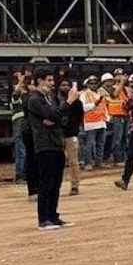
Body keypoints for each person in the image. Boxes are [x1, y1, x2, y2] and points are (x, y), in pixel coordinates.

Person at [26, 67, 78, 230]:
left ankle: (53, 215)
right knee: (46, 182)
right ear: (39, 81)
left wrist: (55, 116)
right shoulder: (35, 99)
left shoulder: (49, 98)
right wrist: (68, 103)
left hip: (56, 143)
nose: (52, 84)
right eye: (48, 80)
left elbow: (60, 118)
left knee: (56, 183)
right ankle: (43, 219)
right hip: (44, 145)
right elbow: (54, 115)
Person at [58, 78, 84, 196]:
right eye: (62, 85)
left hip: (70, 134)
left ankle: (74, 185)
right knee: (57, 162)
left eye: (67, 85)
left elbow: (80, 117)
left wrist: (74, 129)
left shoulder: (76, 102)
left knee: (73, 161)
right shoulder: (55, 99)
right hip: (57, 135)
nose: (65, 87)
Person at [79, 75, 109, 170]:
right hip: (90, 123)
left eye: (95, 83)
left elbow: (104, 107)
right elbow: (82, 108)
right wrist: (93, 104)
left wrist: (106, 118)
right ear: (88, 84)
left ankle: (99, 162)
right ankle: (88, 162)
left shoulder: (100, 94)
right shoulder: (84, 95)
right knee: (89, 144)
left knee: (101, 143)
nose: (94, 85)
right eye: (91, 83)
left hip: (101, 122)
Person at [19, 75, 41, 201]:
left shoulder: (37, 97)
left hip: (37, 130)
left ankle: (38, 187)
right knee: (31, 159)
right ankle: (32, 189)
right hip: (29, 130)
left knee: (38, 159)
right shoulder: (28, 97)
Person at [103, 68, 129, 166]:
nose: (120, 77)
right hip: (116, 115)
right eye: (118, 75)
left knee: (124, 137)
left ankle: (124, 157)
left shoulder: (125, 89)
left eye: (121, 75)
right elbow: (114, 94)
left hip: (125, 115)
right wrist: (122, 83)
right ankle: (118, 159)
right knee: (117, 138)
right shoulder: (111, 87)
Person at [10, 72, 29, 185]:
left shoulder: (27, 100)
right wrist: (20, 81)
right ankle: (20, 176)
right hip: (19, 130)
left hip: (26, 129)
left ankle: (24, 175)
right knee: (21, 154)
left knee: (26, 154)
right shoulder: (16, 100)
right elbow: (16, 93)